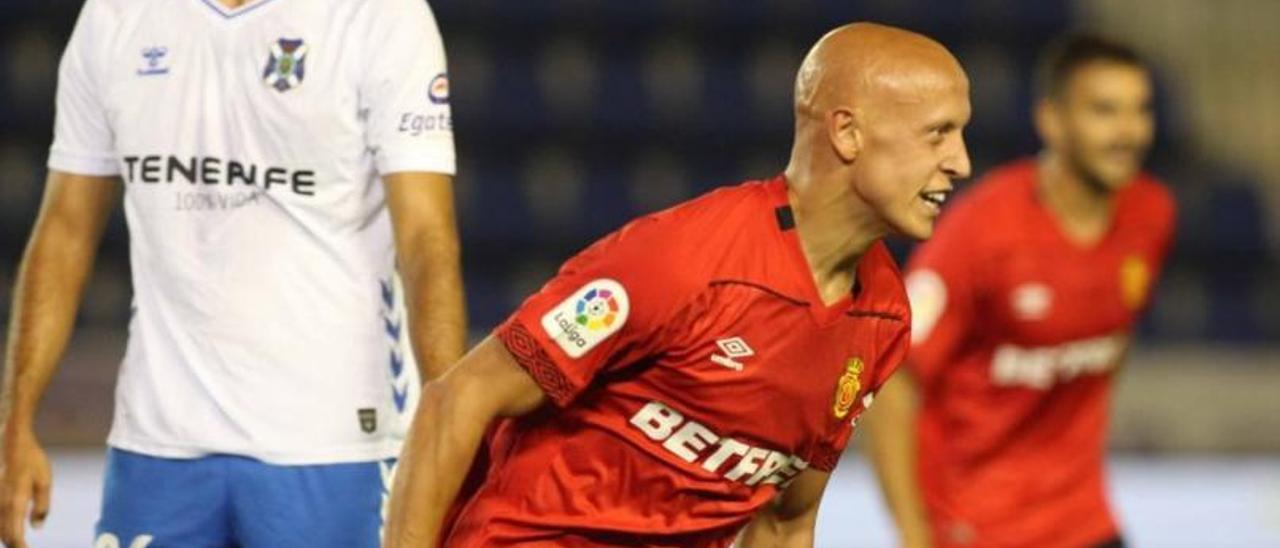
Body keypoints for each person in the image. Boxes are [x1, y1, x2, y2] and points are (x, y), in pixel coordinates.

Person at [384, 22, 972, 547]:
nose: (960, 162)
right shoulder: (683, 263)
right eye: (938, 134)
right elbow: (455, 401)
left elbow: (784, 523)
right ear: (847, 133)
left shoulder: (883, 317)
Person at [0, 0, 465, 546]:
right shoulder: (115, 16)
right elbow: (64, 230)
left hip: (333, 446)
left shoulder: (379, 16)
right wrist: (15, 423)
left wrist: (449, 432)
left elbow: (426, 243)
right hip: (158, 442)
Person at [862, 34, 1176, 548]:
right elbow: (893, 380)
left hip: (1083, 521)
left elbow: (1109, 340)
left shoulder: (1153, 216)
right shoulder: (981, 233)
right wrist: (913, 533)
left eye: (1140, 110)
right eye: (1104, 111)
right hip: (977, 528)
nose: (1128, 132)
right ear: (1051, 120)